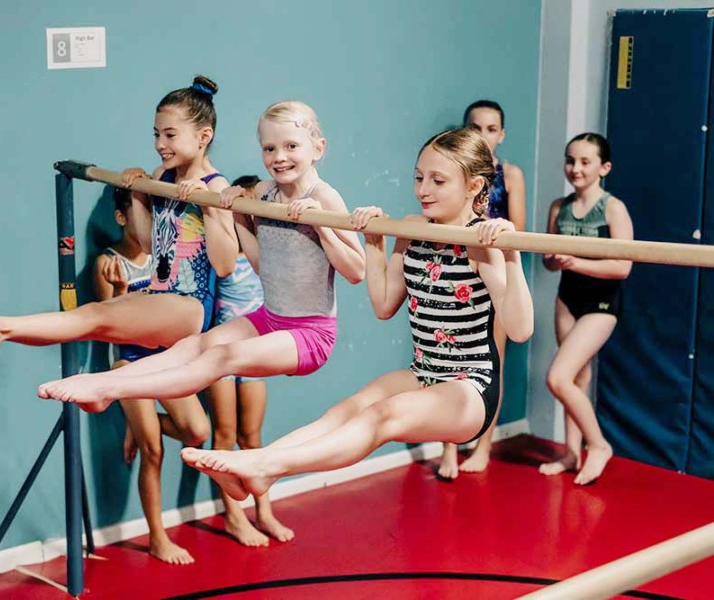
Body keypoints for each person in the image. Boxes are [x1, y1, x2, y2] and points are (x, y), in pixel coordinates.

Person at [179, 127, 533, 502]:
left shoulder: (482, 243)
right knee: (346, 410)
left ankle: (266, 466)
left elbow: (520, 329)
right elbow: (383, 305)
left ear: (474, 186)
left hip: (470, 387)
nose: (423, 189)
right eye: (418, 177)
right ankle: (261, 466)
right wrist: (374, 243)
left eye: (438, 180)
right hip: (424, 372)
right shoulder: (412, 228)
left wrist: (510, 254)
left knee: (381, 416)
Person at [36, 100, 366, 413]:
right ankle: (101, 383)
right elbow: (262, 265)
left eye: (291, 146)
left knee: (219, 359)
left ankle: (109, 390)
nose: (279, 157)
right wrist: (237, 214)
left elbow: (356, 271)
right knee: (193, 347)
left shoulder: (323, 196)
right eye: (269, 148)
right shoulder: (266, 193)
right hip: (270, 317)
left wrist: (321, 226)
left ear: (318, 148)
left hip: (309, 332)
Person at [0, 75, 237, 363]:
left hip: (190, 305)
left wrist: (208, 206)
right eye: (156, 134)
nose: (160, 144)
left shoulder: (215, 186)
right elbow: (148, 245)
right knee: (92, 315)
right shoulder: (162, 176)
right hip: (160, 295)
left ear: (203, 136)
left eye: (170, 135)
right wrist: (138, 193)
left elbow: (224, 265)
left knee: (96, 318)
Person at [93, 187, 207, 564]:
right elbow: (107, 323)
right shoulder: (107, 262)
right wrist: (123, 291)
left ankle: (141, 423)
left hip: (162, 353)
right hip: (129, 359)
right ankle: (158, 538)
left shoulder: (165, 257)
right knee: (153, 451)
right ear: (123, 217)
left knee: (197, 431)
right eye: (139, 212)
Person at [439, 99, 528, 478]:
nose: (484, 134)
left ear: (502, 134)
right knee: (445, 362)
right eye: (476, 127)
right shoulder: (453, 172)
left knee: (491, 363)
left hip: (494, 275)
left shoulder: (510, 174)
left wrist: (497, 230)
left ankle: (483, 446)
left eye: (492, 128)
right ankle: (447, 448)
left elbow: (518, 230)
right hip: (457, 274)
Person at [540, 132, 632, 485]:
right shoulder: (558, 207)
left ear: (603, 167)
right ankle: (570, 451)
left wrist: (574, 261)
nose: (575, 168)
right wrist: (557, 260)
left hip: (601, 303)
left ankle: (598, 445)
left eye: (584, 162)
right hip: (568, 298)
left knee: (557, 377)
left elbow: (623, 267)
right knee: (577, 378)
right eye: (570, 160)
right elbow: (549, 262)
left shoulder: (612, 208)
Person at [208, 175, 293, 547]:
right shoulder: (224, 253)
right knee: (225, 435)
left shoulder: (267, 256)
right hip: (223, 356)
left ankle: (265, 513)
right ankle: (233, 516)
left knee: (253, 436)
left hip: (255, 353)